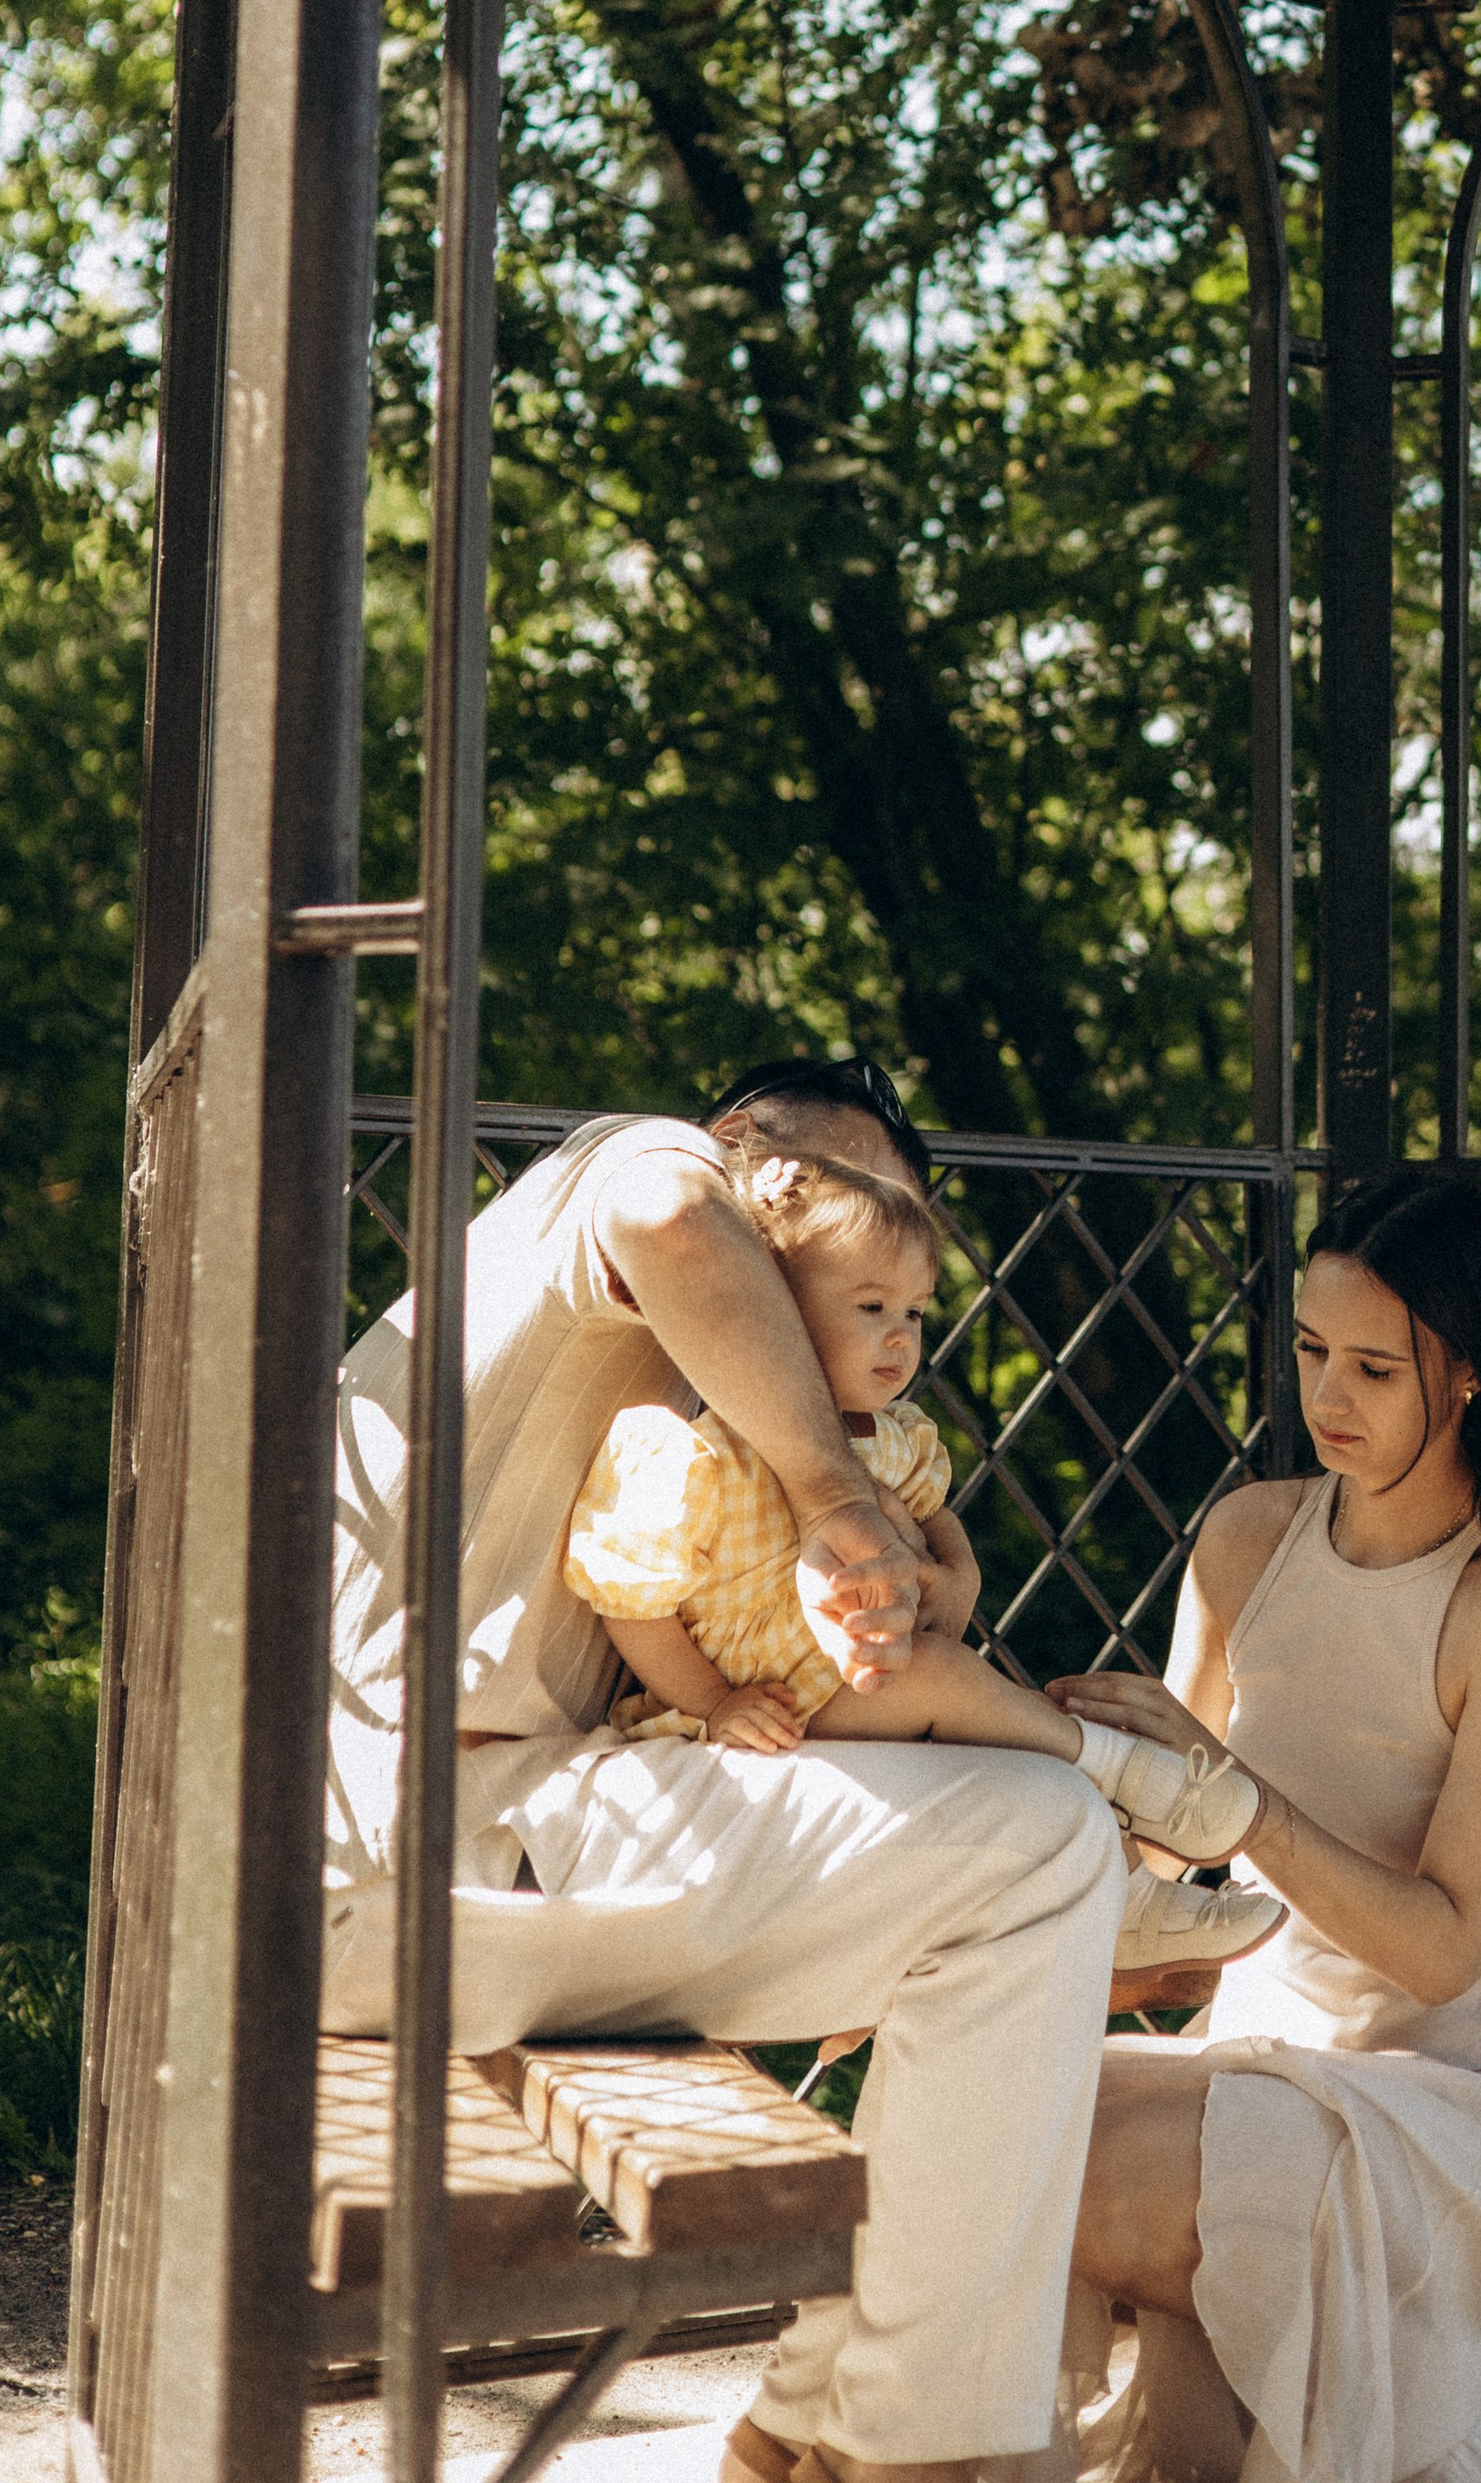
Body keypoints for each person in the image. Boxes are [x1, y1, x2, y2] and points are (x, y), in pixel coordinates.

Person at [325, 1050, 1128, 2483]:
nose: (837, 1236)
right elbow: (670, 1218)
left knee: (1017, 1863)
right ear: (744, 1141)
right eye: (838, 1186)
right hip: (410, 1844)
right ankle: (908, 2444)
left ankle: (828, 2422)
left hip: (456, 1855)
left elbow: (758, 1665)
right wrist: (833, 1494)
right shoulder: (634, 1165)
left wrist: (915, 1583)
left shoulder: (705, 1399)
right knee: (1045, 1845)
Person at [1048, 1172, 1481, 2483]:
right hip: (1245, 2065)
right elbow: (1151, 1854)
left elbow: (1443, 1953)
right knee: (984, 2112)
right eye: (1312, 1352)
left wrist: (1236, 1797)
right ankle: (1399, 2392)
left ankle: (1438, 2366)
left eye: (1374, 1366)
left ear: (1469, 1372)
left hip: (1434, 2106)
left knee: (1133, 2175)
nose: (1328, 1398)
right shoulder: (1250, 1536)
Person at [562, 1137, 1281, 1970]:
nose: (900, 1338)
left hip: (846, 1681)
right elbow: (630, 1604)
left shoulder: (891, 1438)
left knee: (988, 1740)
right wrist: (716, 1701)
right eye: (870, 1309)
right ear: (778, 1313)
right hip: (753, 1707)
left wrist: (958, 1568)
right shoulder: (694, 1453)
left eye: (914, 1312)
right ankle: (1131, 1774)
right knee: (942, 1680)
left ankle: (1132, 1898)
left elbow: (933, 1512)